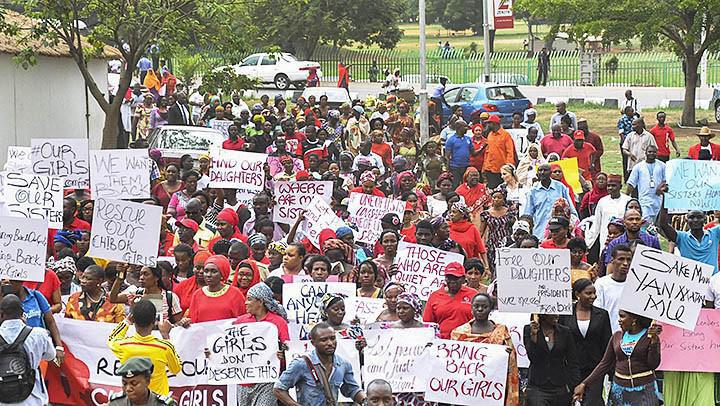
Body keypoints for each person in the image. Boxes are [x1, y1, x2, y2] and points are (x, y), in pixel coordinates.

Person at [573, 311, 663, 405]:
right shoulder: (616, 336)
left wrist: (654, 342)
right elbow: (604, 364)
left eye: (622, 317)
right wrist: (584, 384)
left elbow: (653, 364)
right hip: (619, 391)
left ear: (634, 319)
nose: (619, 320)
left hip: (644, 390)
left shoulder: (648, 336)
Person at [274, 322, 366, 405]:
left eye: (332, 338)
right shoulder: (301, 364)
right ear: (313, 343)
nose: (330, 343)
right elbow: (279, 389)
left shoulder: (343, 364)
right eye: (324, 340)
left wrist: (365, 401)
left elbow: (352, 389)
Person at [452, 293, 519, 405]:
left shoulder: (501, 331)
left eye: (484, 307)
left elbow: (512, 360)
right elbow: (451, 361)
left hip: (492, 389)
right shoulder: (459, 333)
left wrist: (507, 354)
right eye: (476, 306)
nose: (480, 309)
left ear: (490, 309)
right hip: (467, 389)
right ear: (471, 308)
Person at [107, 299, 181, 396]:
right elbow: (176, 369)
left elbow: (112, 338)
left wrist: (127, 321)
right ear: (154, 320)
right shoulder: (164, 347)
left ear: (134, 320)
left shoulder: (123, 346)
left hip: (133, 400)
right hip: (157, 402)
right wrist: (165, 336)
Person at [232, 283, 289, 404]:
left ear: (261, 302)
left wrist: (283, 356)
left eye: (249, 299)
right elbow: (230, 348)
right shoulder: (240, 322)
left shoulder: (278, 322)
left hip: (267, 380)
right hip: (244, 380)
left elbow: (287, 348)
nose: (246, 303)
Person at [558, 279, 612, 406]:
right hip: (571, 369)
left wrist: (609, 368)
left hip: (595, 368)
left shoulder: (602, 315)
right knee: (573, 401)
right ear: (577, 294)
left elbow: (606, 343)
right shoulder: (565, 314)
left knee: (592, 402)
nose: (593, 296)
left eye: (594, 293)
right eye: (588, 293)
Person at [0, 294, 56, 406]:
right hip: (32, 397)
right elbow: (51, 356)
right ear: (22, 313)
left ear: (1, 314)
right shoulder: (38, 334)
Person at [524, 313, 580, 406]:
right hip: (537, 386)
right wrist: (534, 337)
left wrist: (575, 385)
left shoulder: (565, 332)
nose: (557, 316)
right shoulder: (529, 329)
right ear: (543, 314)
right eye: (553, 313)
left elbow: (573, 361)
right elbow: (532, 358)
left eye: (558, 312)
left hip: (560, 387)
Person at [178, 255, 247, 324]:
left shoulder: (235, 294)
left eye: (213, 271)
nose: (208, 275)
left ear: (222, 275)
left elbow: (244, 319)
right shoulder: (197, 294)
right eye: (206, 271)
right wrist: (186, 321)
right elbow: (192, 319)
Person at [423, 262, 477, 339]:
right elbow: (428, 324)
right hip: (442, 342)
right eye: (449, 277)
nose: (452, 281)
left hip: (467, 342)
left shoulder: (473, 294)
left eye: (456, 278)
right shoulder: (434, 296)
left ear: (463, 279)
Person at [523, 163, 577, 237]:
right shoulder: (533, 191)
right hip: (540, 233)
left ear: (550, 173)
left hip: (559, 232)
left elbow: (571, 210)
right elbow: (528, 214)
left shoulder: (560, 187)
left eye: (545, 170)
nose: (542, 172)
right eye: (540, 170)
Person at [108, 357, 177, 405]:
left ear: (147, 381)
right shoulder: (116, 403)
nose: (128, 388)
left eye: (134, 383)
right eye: (124, 383)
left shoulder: (163, 404)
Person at [595, 244, 632, 333]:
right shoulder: (601, 284)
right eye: (621, 259)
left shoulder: (634, 285)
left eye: (629, 260)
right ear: (612, 261)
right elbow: (597, 312)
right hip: (607, 335)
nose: (625, 263)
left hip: (629, 337)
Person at [478, 188, 516, 276]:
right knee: (494, 269)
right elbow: (481, 232)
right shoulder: (486, 214)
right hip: (492, 245)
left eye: (499, 198)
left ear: (504, 199)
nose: (496, 200)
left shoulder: (510, 212)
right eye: (494, 197)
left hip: (508, 244)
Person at [626, 144, 665, 222]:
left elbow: (666, 180)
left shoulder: (662, 166)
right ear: (645, 153)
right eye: (649, 152)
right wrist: (626, 196)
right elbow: (631, 183)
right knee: (646, 222)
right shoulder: (638, 167)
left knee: (658, 223)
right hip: (644, 200)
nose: (651, 154)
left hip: (658, 199)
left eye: (654, 152)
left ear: (657, 153)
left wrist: (661, 186)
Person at [483, 115, 516, 188]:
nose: (488, 125)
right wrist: (485, 166)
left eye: (489, 123)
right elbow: (487, 151)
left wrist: (509, 166)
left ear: (494, 124)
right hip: (490, 169)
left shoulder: (505, 135)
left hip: (502, 169)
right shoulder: (490, 135)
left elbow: (510, 151)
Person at [444, 119, 476, 188]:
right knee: (455, 185)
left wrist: (483, 147)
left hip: (466, 166)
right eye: (465, 127)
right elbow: (447, 156)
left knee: (467, 185)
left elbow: (473, 153)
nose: (467, 129)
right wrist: (447, 169)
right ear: (459, 128)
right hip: (455, 167)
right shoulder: (451, 140)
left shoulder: (468, 139)